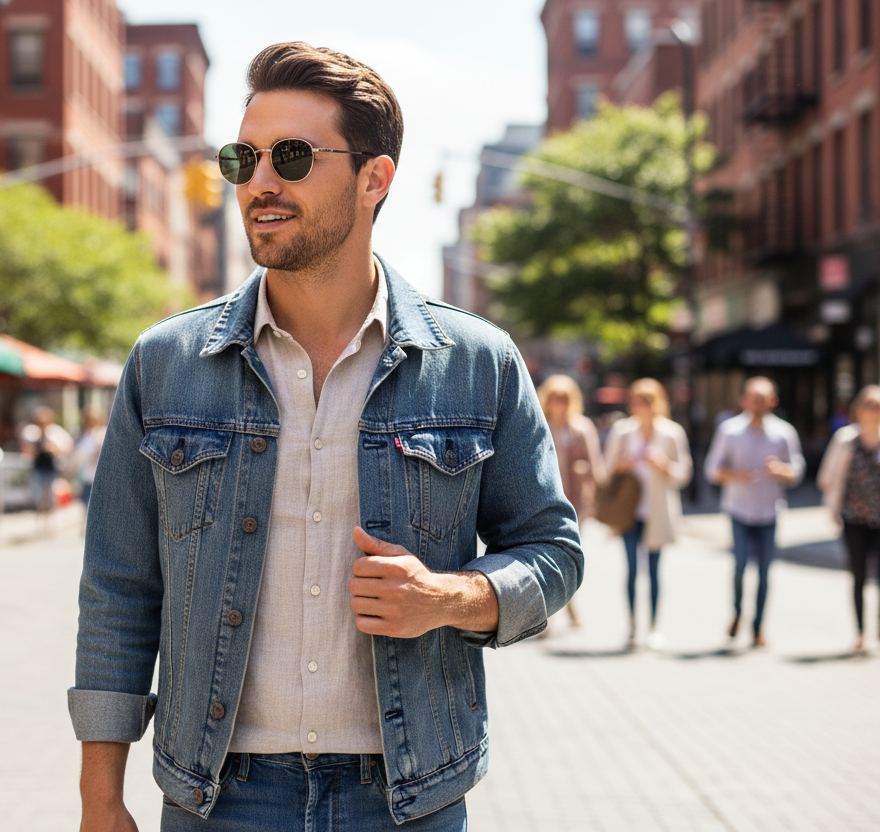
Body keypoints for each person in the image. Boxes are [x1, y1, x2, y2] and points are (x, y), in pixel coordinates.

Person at [71, 43, 583, 831]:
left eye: (293, 157)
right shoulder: (166, 363)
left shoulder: (477, 362)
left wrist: (452, 598)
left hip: (410, 799)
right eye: (244, 158)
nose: (260, 183)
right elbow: (119, 585)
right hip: (218, 800)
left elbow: (553, 550)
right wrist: (99, 796)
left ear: (374, 179)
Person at [705, 376, 805, 648]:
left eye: (763, 398)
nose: (757, 403)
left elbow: (797, 470)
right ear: (744, 400)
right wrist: (736, 475)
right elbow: (712, 470)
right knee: (740, 566)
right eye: (753, 398)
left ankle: (758, 626)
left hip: (769, 511)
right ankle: (738, 612)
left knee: (764, 572)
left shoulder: (784, 432)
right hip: (739, 509)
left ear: (773, 401)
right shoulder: (730, 430)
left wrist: (782, 470)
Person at [602, 379, 692, 650]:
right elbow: (606, 469)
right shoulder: (623, 431)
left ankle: (653, 628)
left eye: (644, 401)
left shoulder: (672, 433)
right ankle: (632, 626)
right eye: (635, 401)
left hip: (657, 512)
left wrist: (664, 465)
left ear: (656, 403)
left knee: (653, 571)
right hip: (629, 511)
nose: (638, 406)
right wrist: (623, 464)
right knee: (631, 570)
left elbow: (684, 474)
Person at [537, 374, 605, 629]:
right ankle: (550, 613)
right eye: (555, 397)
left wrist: (584, 471)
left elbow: (597, 469)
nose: (559, 402)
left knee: (568, 556)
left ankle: (568, 604)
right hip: (544, 502)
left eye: (564, 397)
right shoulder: (539, 425)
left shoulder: (582, 428)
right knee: (545, 555)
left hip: (575, 504)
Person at [817, 385, 880, 655]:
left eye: (878, 407)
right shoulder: (846, 439)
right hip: (853, 517)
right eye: (869, 406)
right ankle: (861, 632)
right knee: (859, 575)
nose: (874, 412)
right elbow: (826, 477)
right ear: (859, 410)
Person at [20, 407, 73, 512]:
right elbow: (25, 450)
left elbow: (66, 448)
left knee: (50, 493)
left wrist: (53, 449)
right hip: (38, 466)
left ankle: (49, 514)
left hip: (51, 467)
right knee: (37, 493)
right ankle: (40, 512)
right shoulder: (32, 433)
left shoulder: (56, 433)